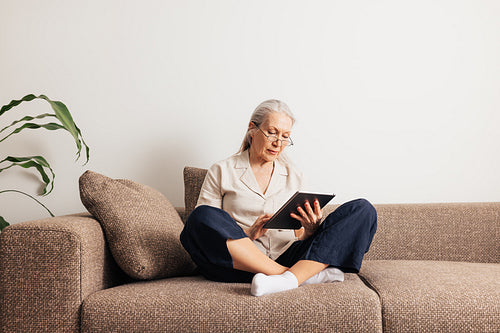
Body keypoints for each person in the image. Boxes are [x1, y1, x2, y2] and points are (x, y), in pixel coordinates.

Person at [180, 99, 377, 296]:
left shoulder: (295, 175)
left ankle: (288, 278)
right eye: (272, 133)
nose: (278, 143)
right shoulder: (221, 170)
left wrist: (309, 229)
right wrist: (248, 234)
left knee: (362, 210)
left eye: (285, 137)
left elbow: (300, 236)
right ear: (252, 129)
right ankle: (295, 277)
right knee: (201, 216)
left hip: (288, 256)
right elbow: (205, 231)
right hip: (238, 266)